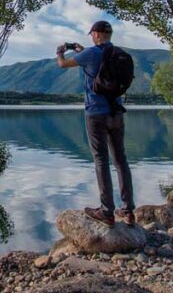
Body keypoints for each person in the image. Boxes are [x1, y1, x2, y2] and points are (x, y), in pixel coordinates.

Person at [56, 20, 135, 228]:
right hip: (116, 112)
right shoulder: (118, 53)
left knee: (101, 161)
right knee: (121, 161)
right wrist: (83, 50)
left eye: (92, 34)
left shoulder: (90, 54)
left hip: (95, 114)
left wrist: (60, 52)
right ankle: (128, 211)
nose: (91, 37)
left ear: (97, 35)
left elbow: (63, 64)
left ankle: (107, 212)